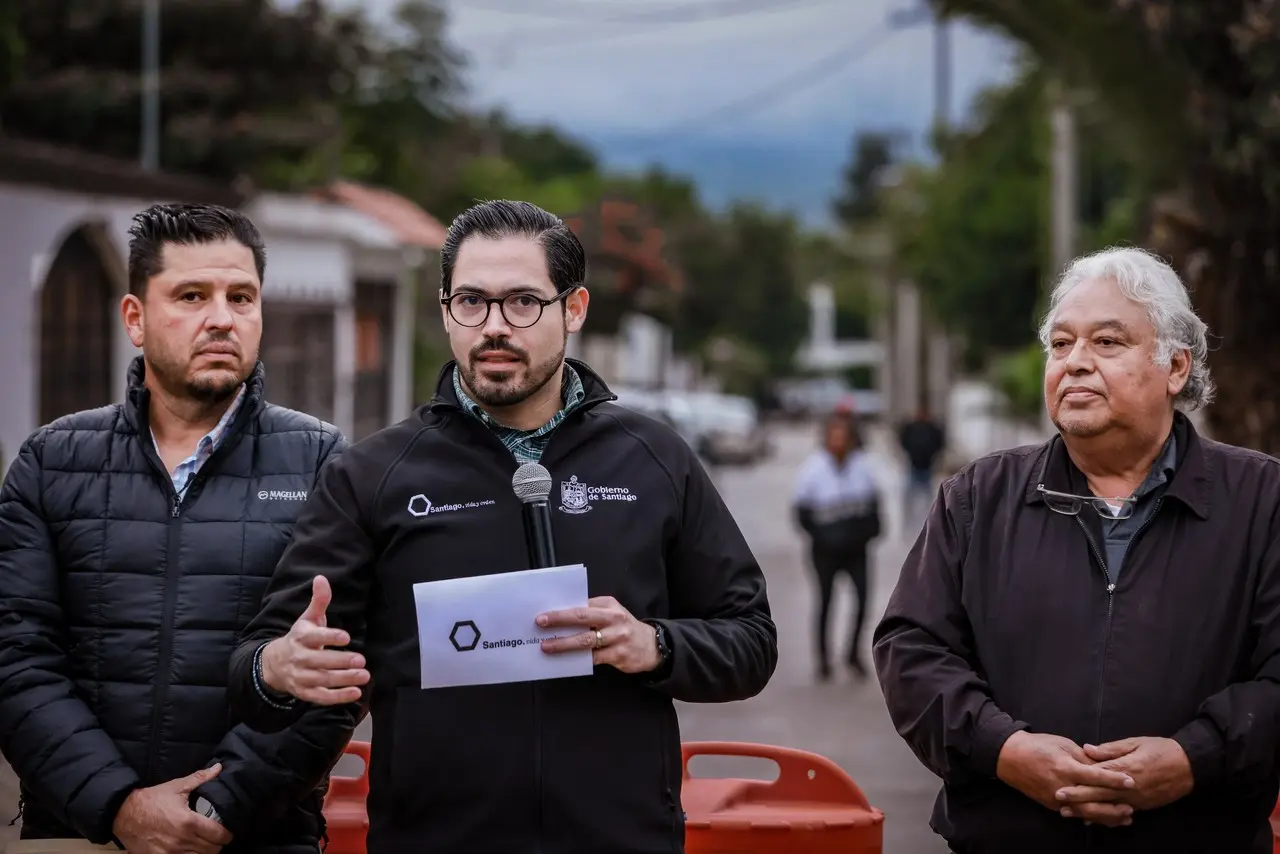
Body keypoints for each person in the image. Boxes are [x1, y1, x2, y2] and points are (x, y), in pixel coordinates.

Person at [226, 199, 778, 854]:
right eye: (472, 302)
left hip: (621, 837)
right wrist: (277, 666)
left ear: (572, 310)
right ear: (444, 309)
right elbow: (256, 665)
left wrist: (654, 644)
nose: (494, 327)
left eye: (522, 303)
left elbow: (751, 642)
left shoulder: (655, 459)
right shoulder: (373, 474)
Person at [872, 246, 1280, 853]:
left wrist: (1196, 757)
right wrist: (1004, 750)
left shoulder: (1262, 500)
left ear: (1175, 367)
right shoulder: (979, 497)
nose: (1076, 364)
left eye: (1107, 343)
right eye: (1061, 345)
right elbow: (911, 650)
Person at [0, 204, 356, 854]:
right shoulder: (51, 462)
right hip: (81, 835)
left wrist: (212, 811)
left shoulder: (323, 463)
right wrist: (117, 806)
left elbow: (333, 677)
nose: (221, 317)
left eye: (241, 296)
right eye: (191, 295)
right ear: (134, 318)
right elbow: (17, 661)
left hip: (255, 837)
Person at [793, 410, 881, 681]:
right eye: (834, 435)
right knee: (826, 602)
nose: (839, 440)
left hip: (856, 550)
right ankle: (823, 660)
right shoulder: (813, 468)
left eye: (844, 435)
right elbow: (801, 512)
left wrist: (867, 533)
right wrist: (823, 536)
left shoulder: (863, 466)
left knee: (864, 601)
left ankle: (853, 654)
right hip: (825, 552)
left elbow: (875, 506)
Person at [897, 407, 945, 527]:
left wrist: (933, 456)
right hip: (914, 465)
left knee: (928, 499)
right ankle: (908, 522)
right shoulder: (912, 427)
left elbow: (940, 442)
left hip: (927, 466)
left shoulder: (932, 428)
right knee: (909, 497)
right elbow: (903, 439)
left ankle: (930, 522)